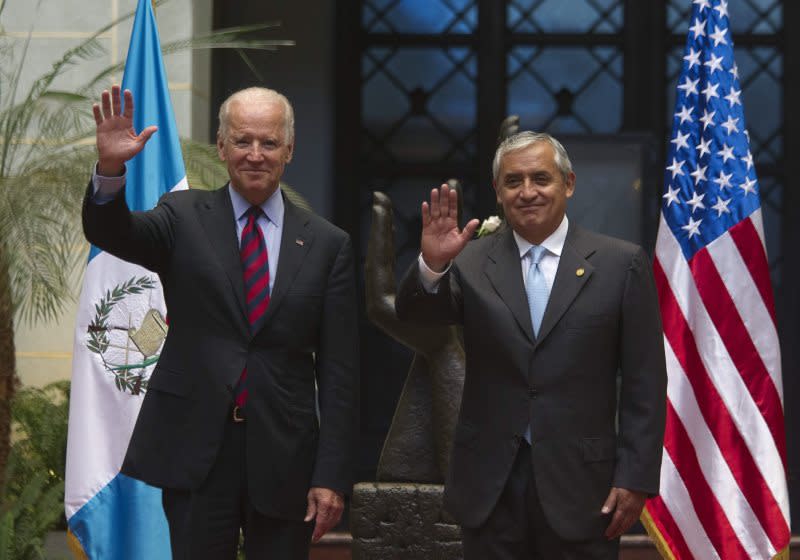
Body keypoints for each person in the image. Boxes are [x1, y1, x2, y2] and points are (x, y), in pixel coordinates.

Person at [83, 85, 359, 559]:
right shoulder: (182, 216)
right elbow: (114, 232)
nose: (255, 155)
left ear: (289, 150)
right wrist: (110, 171)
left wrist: (331, 477)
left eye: (269, 143)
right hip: (196, 448)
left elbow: (340, 374)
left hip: (284, 455)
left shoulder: (327, 244)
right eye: (243, 141)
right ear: (221, 146)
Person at [396, 131, 667, 559]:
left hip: (583, 484)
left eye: (540, 178)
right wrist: (432, 265)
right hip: (491, 484)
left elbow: (644, 383)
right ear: (498, 193)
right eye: (513, 181)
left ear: (569, 184)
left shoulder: (620, 264)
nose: (527, 192)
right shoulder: (470, 260)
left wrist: (635, 477)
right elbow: (418, 318)